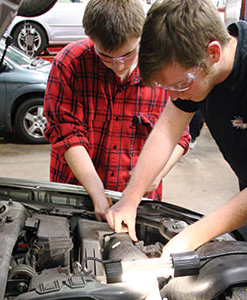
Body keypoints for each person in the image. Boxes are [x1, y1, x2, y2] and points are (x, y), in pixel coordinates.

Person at [105, 0, 247, 296]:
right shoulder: (195, 69)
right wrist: (130, 198)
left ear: (213, 52)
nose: (177, 94)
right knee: (243, 282)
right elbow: (167, 129)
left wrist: (190, 237)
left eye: (180, 85)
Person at [43, 0, 190, 222]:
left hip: (139, 200)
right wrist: (96, 191)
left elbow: (180, 137)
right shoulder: (69, 64)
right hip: (77, 194)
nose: (119, 65)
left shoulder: (161, 71)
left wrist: (156, 175)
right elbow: (66, 134)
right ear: (91, 38)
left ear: (140, 37)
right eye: (106, 57)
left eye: (128, 54)